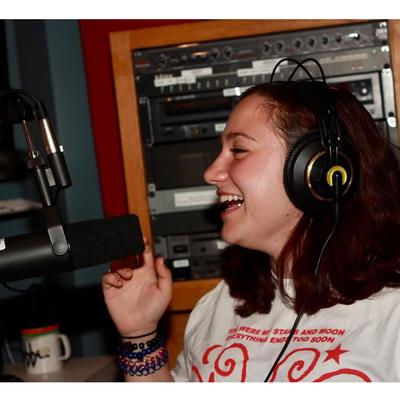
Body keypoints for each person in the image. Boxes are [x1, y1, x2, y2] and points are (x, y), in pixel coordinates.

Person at [102, 75, 400, 381]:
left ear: (316, 170)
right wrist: (140, 334)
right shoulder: (221, 303)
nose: (211, 173)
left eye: (239, 150)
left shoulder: (391, 314)